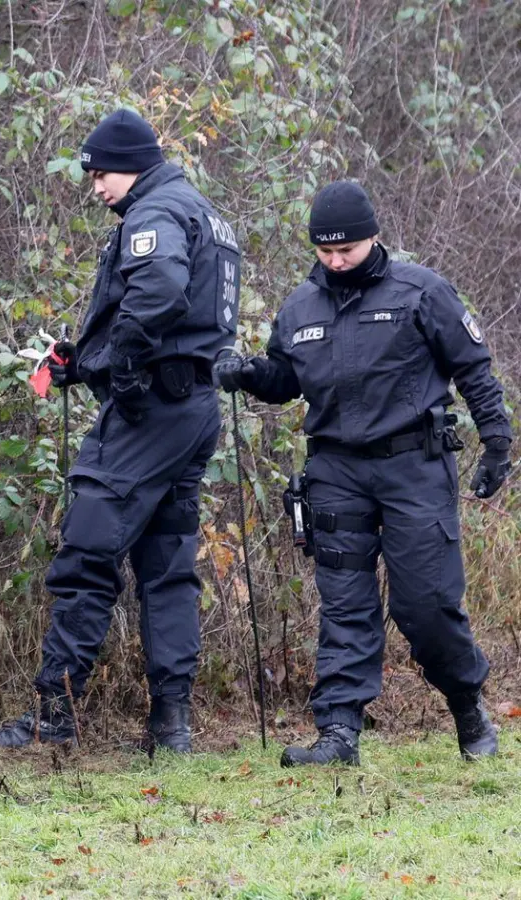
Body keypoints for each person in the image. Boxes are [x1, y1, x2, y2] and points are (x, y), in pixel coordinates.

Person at [215, 181, 509, 766]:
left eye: (345, 249)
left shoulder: (421, 292)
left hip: (414, 467)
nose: (335, 260)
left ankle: (466, 702)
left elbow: (473, 367)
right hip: (336, 470)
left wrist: (497, 441)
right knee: (344, 603)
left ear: (372, 237)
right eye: (325, 251)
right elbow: (285, 378)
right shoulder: (300, 306)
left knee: (424, 605)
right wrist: (246, 372)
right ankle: (339, 734)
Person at [0, 109, 242, 753]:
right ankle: (171, 725)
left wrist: (122, 366)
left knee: (87, 550)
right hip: (191, 407)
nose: (96, 186)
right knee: (167, 565)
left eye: (101, 173)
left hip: (148, 413)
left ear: (133, 164)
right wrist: (86, 360)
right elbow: (177, 318)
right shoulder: (202, 212)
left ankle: (54, 716)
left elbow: (156, 291)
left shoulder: (155, 213)